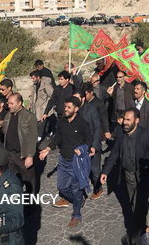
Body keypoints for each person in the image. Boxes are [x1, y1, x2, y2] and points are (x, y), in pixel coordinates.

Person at [100, 108, 149, 244]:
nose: (125, 123)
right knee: (133, 204)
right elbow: (114, 154)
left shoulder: (147, 135)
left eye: (128, 120)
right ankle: (138, 232)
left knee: (143, 205)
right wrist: (105, 172)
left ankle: (143, 235)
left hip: (144, 177)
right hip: (129, 176)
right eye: (124, 119)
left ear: (136, 121)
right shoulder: (121, 134)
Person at [39, 97, 93, 227]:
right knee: (61, 187)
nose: (66, 109)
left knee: (76, 189)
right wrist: (47, 149)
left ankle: (76, 214)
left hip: (76, 162)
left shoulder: (82, 123)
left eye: (69, 107)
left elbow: (89, 140)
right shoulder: (62, 120)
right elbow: (58, 136)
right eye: (65, 107)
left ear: (76, 109)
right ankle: (78, 201)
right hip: (63, 160)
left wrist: (83, 149)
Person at [0, 94, 38, 193]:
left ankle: (31, 202)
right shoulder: (8, 115)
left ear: (20, 103)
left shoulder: (29, 116)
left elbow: (33, 138)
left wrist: (29, 156)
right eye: (8, 103)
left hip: (22, 154)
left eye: (12, 103)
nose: (9, 106)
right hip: (10, 154)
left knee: (29, 179)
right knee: (12, 180)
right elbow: (7, 131)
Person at [82, 84, 108, 199]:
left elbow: (104, 118)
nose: (85, 96)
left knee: (95, 168)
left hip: (96, 138)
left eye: (86, 93)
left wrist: (106, 130)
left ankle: (98, 188)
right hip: (86, 139)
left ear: (91, 92)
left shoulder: (98, 104)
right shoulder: (84, 106)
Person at [29, 70, 54, 140]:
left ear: (38, 77)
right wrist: (30, 104)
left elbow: (52, 95)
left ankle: (39, 137)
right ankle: (45, 134)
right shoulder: (34, 85)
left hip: (44, 107)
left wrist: (48, 105)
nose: (32, 80)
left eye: (33, 78)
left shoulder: (45, 84)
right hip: (37, 107)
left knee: (41, 122)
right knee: (41, 121)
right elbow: (32, 95)